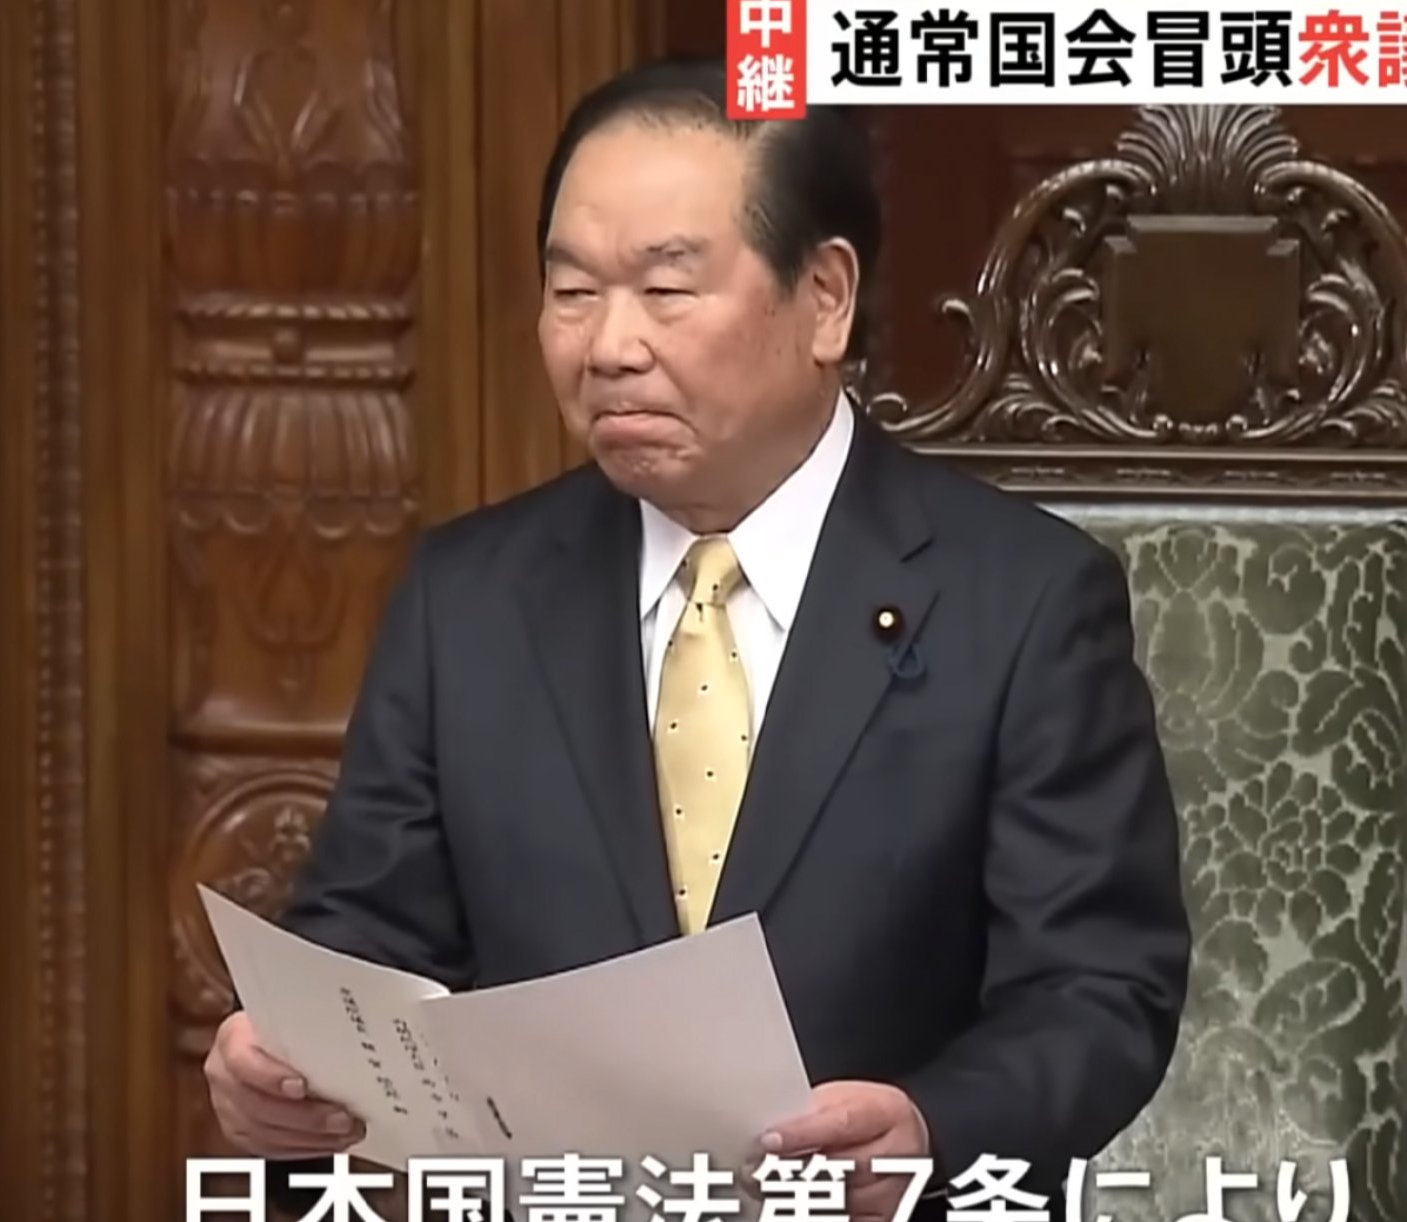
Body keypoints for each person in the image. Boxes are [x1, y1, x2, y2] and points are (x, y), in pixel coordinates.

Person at [203, 57, 1191, 1222]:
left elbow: (1097, 988)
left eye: (666, 289)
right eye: (572, 291)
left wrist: (931, 1126)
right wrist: (284, 1070)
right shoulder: (467, 598)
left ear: (824, 297)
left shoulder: (1021, 599)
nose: (608, 346)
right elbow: (365, 939)